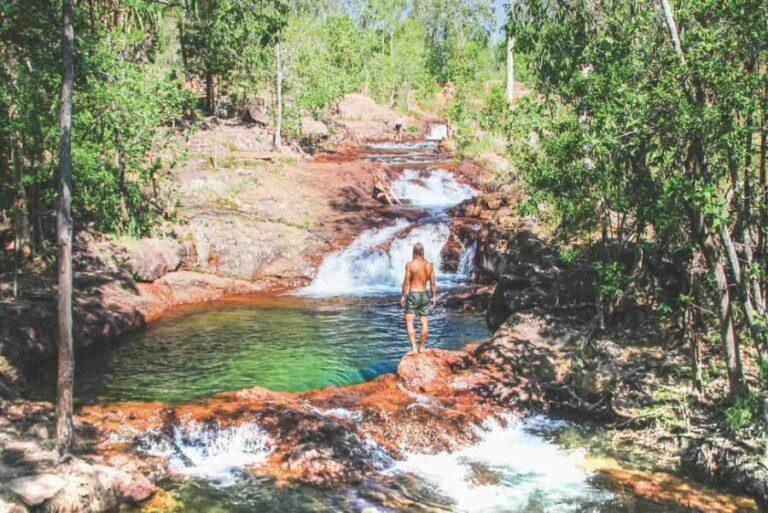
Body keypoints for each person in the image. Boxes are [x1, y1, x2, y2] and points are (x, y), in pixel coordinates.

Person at [400, 242, 437, 354]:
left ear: (414, 252)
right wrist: (433, 297)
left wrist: (403, 295)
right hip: (424, 294)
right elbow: (432, 284)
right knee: (424, 321)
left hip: (413, 294)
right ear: (422, 251)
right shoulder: (429, 265)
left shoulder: (410, 265)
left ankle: (414, 349)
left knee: (409, 322)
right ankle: (422, 347)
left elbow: (406, 282)